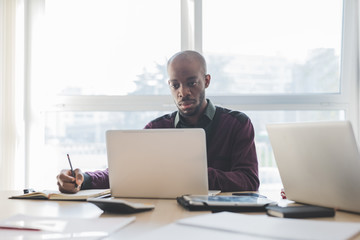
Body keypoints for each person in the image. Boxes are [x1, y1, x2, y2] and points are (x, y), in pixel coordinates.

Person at [57, 50, 259, 193]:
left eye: (192, 83)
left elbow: (249, 181)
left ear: (206, 81)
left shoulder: (237, 124)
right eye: (175, 85)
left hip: (222, 220)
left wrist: (193, 173)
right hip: (167, 217)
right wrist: (85, 178)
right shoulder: (156, 129)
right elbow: (124, 172)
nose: (183, 92)